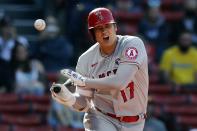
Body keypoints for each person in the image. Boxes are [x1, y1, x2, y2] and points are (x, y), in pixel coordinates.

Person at [50, 7, 149, 131]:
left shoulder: (132, 44)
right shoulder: (85, 60)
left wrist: (85, 81)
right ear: (92, 34)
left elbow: (120, 82)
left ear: (115, 27)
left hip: (135, 122)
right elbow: (85, 104)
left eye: (107, 26)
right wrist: (69, 99)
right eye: (99, 29)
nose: (104, 31)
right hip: (101, 117)